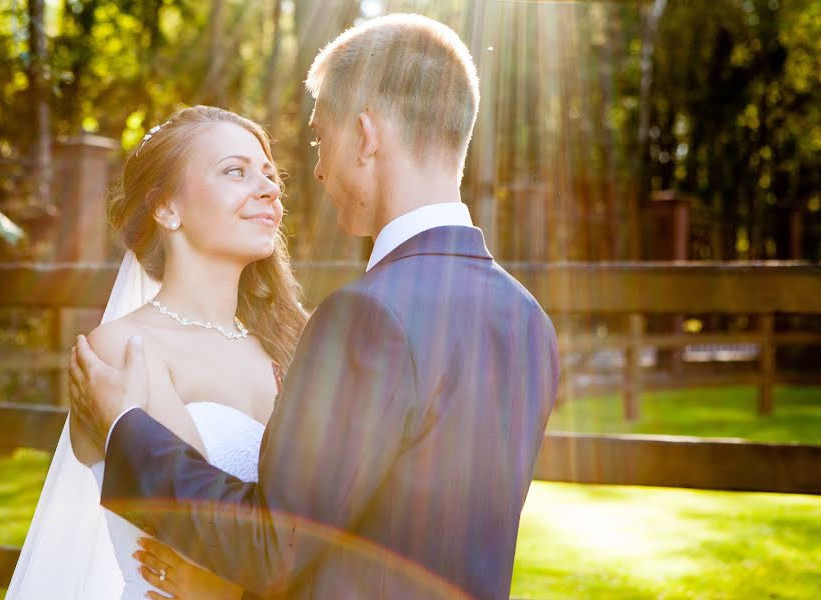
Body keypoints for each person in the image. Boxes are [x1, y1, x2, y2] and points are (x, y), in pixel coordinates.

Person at [71, 13, 559, 599]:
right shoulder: (527, 319)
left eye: (320, 137)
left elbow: (279, 545)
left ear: (367, 136)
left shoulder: (367, 317)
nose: (316, 171)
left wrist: (126, 428)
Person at [6, 105, 307, 599]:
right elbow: (192, 533)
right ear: (166, 208)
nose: (270, 188)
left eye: (270, 175)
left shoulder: (290, 346)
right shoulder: (121, 349)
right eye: (236, 171)